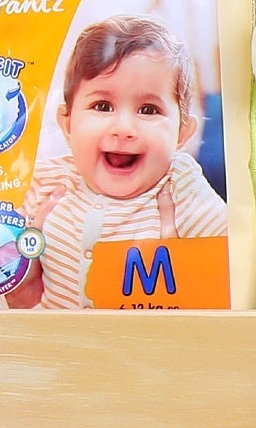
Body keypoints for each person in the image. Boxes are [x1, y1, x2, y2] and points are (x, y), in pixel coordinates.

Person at [26, 16, 228, 310]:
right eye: (102, 106)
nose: (123, 128)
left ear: (182, 133)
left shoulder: (178, 186)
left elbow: (234, 259)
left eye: (148, 110)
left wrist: (184, 263)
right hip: (53, 336)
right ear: (67, 124)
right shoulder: (49, 180)